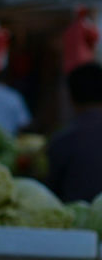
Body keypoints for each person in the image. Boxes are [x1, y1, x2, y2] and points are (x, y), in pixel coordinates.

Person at [46, 62, 102, 203]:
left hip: (75, 220)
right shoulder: (63, 139)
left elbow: (51, 192)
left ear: (70, 97)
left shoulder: (62, 140)